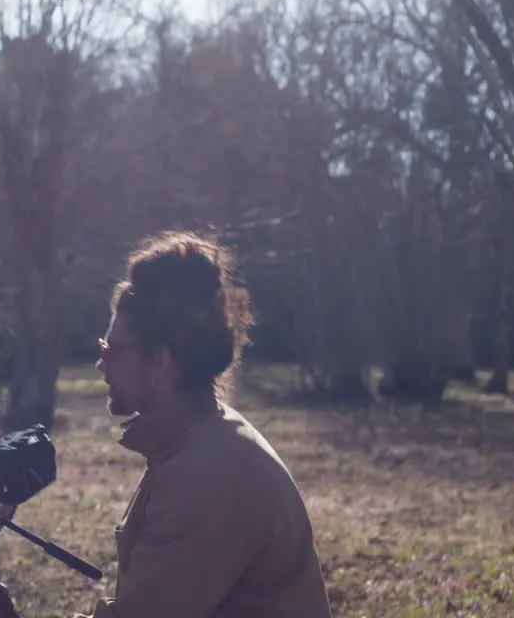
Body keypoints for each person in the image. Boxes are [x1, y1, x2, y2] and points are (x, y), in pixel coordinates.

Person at [77, 231, 333, 618]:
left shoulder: (208, 474)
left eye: (112, 349)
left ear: (160, 363)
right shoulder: (202, 440)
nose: (101, 363)